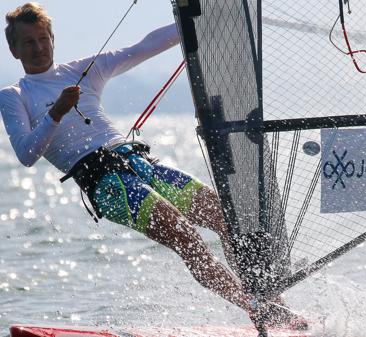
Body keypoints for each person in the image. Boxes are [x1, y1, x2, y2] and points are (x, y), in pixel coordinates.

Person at [0, 2, 306, 330]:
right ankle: (255, 308)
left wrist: (199, 19)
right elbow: (26, 154)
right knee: (185, 236)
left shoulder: (85, 69)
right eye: (28, 42)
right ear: (13, 49)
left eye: (43, 38)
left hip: (139, 162)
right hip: (106, 185)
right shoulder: (14, 95)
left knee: (222, 215)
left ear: (53, 38)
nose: (38, 47)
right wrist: (56, 112)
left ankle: (273, 302)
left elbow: (144, 46)